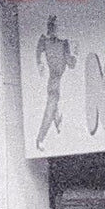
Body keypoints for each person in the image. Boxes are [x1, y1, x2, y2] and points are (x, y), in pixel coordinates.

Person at [34, 16, 75, 151]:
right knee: (50, 108)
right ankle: (40, 138)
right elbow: (38, 53)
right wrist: (40, 64)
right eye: (53, 27)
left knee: (53, 107)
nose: (55, 29)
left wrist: (75, 54)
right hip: (54, 81)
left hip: (59, 81)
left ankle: (57, 119)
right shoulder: (45, 41)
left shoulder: (63, 43)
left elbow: (71, 63)